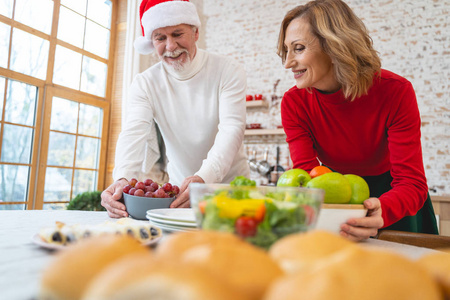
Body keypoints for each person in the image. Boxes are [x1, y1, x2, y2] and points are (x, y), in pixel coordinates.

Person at [277, 0, 438, 241]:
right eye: (286, 50)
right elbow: (307, 174)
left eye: (298, 48)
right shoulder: (294, 103)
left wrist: (383, 210)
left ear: (333, 46)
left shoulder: (395, 91)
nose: (288, 63)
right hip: (335, 197)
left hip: (395, 202)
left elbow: (411, 182)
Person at [101, 0, 249, 218]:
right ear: (152, 42)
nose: (170, 46)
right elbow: (133, 132)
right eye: (160, 38)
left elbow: (232, 128)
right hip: (180, 196)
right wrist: (122, 178)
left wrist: (204, 177)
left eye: (177, 34)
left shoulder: (227, 70)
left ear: (195, 32)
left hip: (230, 189)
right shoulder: (145, 83)